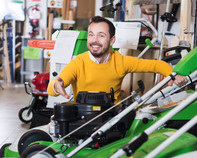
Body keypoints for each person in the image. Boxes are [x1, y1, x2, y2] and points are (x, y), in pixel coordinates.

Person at [47, 16, 187, 103]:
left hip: (112, 120)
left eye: (101, 35)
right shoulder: (78, 62)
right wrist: (56, 85)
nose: (94, 40)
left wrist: (173, 75)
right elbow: (53, 86)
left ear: (112, 40)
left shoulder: (120, 61)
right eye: (91, 35)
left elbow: (156, 65)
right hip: (83, 120)